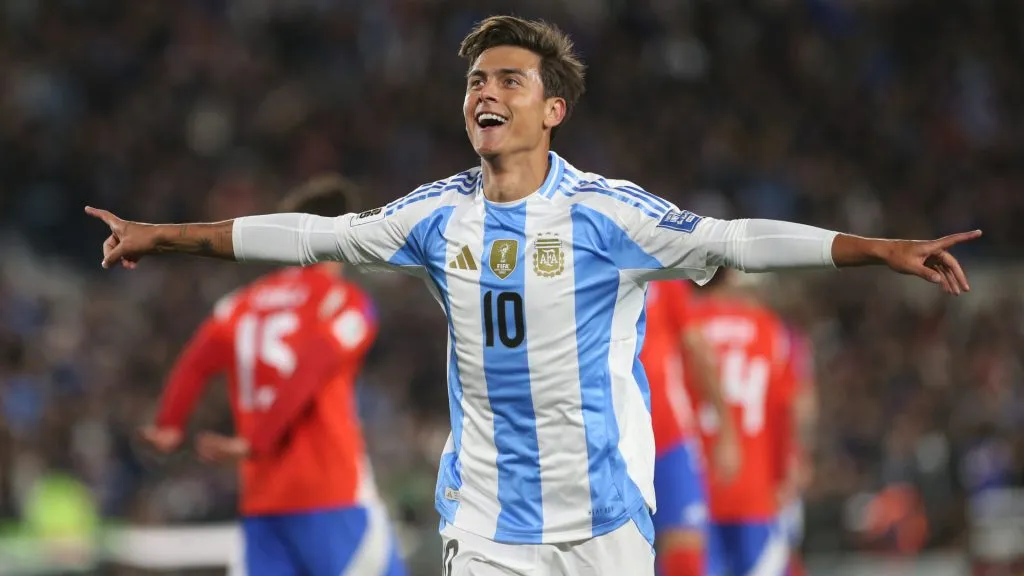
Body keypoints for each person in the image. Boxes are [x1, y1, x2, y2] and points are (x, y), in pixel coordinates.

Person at [85, 15, 979, 576]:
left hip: (604, 522)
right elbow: (310, 235)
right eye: (477, 79)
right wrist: (164, 236)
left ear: (554, 109)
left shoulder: (607, 216)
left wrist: (881, 249)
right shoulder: (435, 217)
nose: (486, 91)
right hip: (486, 525)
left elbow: (735, 240)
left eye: (510, 79)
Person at [137, 175, 407, 576]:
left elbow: (194, 363)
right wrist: (255, 441)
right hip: (332, 498)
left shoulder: (240, 304)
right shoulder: (345, 302)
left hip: (264, 505)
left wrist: (169, 424)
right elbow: (310, 368)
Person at [683, 270, 804, 576]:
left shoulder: (687, 325)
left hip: (696, 487)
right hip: (755, 488)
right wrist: (786, 471)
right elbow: (786, 407)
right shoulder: (769, 328)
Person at [641, 279, 740, 576]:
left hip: (670, 437)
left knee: (686, 559)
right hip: (615, 443)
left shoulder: (660, 272)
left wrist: (726, 430)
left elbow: (697, 349)